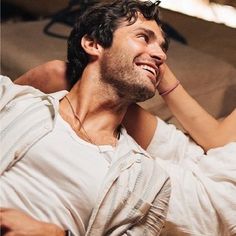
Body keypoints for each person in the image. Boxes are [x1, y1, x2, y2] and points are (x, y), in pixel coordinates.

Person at [0, 1, 236, 236]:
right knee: (57, 75)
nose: (162, 55)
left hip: (207, 180)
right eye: (143, 37)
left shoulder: (151, 183)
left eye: (163, 49)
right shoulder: (14, 98)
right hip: (194, 154)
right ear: (92, 44)